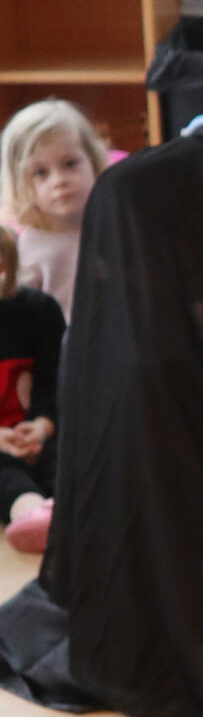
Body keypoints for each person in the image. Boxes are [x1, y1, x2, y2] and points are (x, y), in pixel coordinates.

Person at [0, 97, 109, 323]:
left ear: (93, 161)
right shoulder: (27, 251)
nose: (59, 181)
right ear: (20, 184)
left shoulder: (114, 228)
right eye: (40, 173)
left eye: (70, 164)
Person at [0, 225, 62, 554]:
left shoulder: (39, 310)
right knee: (6, 477)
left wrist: (40, 426)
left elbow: (56, 384)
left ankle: (73, 510)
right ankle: (30, 512)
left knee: (68, 456)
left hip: (38, 434)